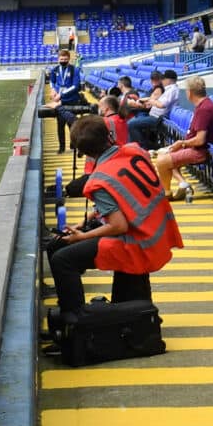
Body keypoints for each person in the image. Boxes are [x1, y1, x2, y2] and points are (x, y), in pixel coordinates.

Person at [46, 115, 181, 326]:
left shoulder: (99, 180)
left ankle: (75, 322)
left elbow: (118, 225)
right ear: (108, 136)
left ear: (84, 153)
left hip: (137, 242)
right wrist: (88, 220)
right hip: (158, 233)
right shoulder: (135, 151)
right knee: (64, 249)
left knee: (62, 259)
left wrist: (82, 236)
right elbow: (126, 197)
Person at [153, 75, 213, 202]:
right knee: (167, 154)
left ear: (189, 93)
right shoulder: (203, 105)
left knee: (162, 162)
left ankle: (167, 194)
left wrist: (182, 143)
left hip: (199, 151)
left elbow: (200, 140)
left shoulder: (204, 109)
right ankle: (183, 184)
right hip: (195, 147)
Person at [38, 47, 87, 151]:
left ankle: (73, 145)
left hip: (71, 100)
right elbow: (52, 81)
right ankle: (61, 147)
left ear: (69, 59)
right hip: (59, 100)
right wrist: (52, 90)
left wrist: (62, 95)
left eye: (65, 59)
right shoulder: (55, 69)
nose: (63, 61)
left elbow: (76, 86)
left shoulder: (75, 70)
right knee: (60, 125)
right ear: (58, 59)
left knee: (71, 124)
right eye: (61, 59)